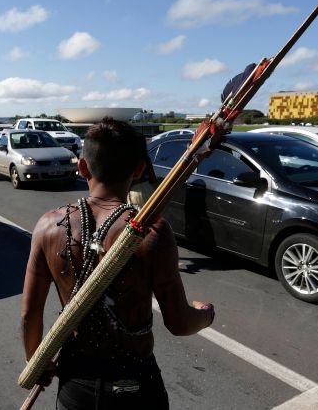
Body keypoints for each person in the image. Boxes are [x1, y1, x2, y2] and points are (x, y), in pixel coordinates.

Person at [21, 117, 214, 409]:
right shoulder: (152, 233)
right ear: (138, 170)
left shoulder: (48, 226)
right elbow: (179, 323)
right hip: (136, 386)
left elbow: (29, 314)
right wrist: (206, 314)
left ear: (82, 167)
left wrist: (37, 360)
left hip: (76, 385)